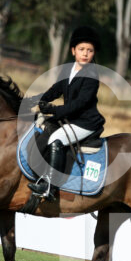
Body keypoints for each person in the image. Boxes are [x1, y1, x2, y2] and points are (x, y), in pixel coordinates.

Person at [27, 26, 106, 199]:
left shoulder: (92, 75)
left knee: (56, 139)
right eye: (82, 49)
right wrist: (39, 99)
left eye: (90, 51)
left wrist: (54, 110)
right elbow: (57, 89)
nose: (85, 54)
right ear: (73, 50)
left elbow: (80, 104)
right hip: (70, 118)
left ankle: (50, 187)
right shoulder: (68, 69)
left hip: (85, 122)